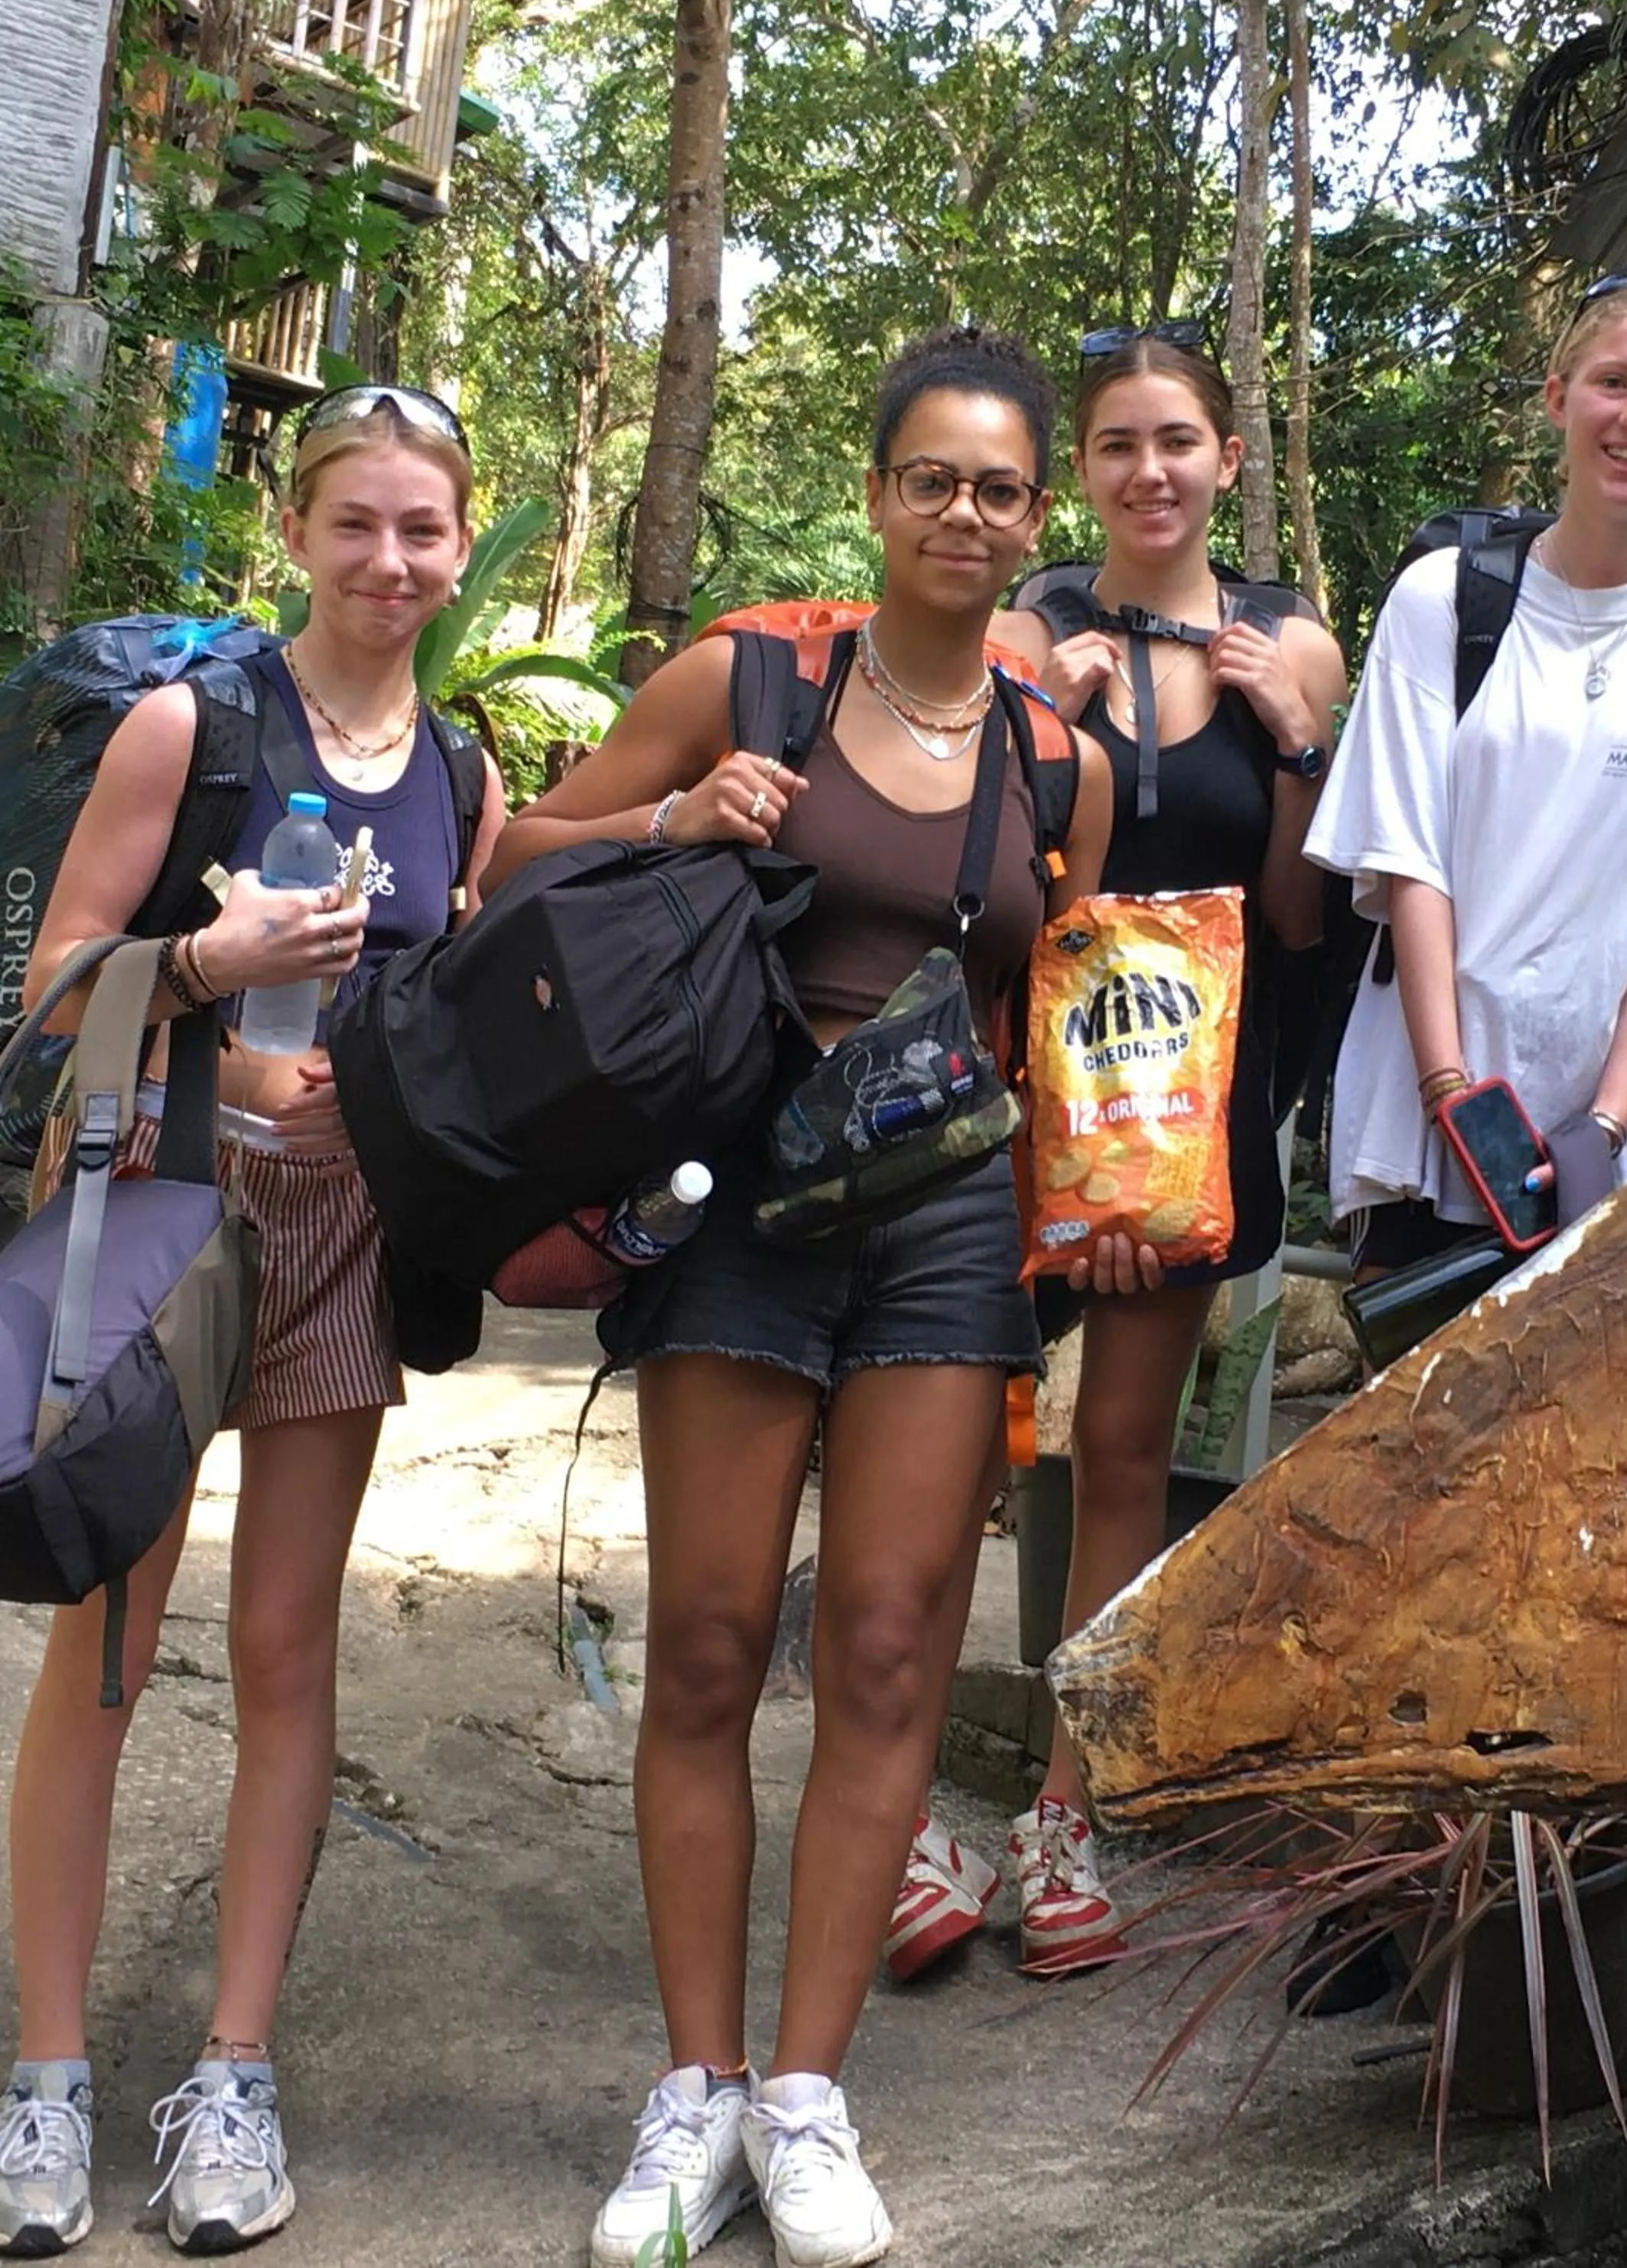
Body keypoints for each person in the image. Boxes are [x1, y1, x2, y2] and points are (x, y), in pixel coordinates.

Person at [482, 324, 1111, 2268]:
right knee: (709, 1643)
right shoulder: (746, 682)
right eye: (932, 475)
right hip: (743, 1192)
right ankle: (692, 2094)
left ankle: (806, 2097)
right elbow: (514, 863)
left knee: (897, 1647)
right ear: (880, 492)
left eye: (1000, 487)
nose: (964, 511)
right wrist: (674, 820)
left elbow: (1055, 987)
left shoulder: (1054, 756)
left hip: (940, 1221)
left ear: (1032, 523)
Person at [0, 383, 504, 2256]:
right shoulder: (188, 723)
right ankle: (45, 2081)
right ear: (298, 532)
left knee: (289, 1655)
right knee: (108, 1648)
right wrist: (210, 967)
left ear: (463, 546)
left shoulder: (460, 770)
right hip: (153, 1217)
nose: (390, 561)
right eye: (356, 524)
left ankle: (233, 2073)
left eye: (423, 531)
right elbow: (53, 991)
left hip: (341, 1236)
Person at [882, 327, 1346, 1984]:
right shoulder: (1031, 623)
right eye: (1116, 447)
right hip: (1012, 1106)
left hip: (1183, 1110)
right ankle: (913, 1811)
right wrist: (1032, 721)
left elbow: (1301, 912)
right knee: (953, 1462)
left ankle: (1071, 1816)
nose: (1149, 472)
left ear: (1225, 457)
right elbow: (966, 875)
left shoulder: (1294, 638)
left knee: (1126, 1459)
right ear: (1078, 474)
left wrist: (1296, 739)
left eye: (1178, 441)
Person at [1307, 266, 1627, 1283]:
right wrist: (1448, 1088)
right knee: (1418, 1437)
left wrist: (1604, 1125)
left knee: (1605, 1443)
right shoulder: (1440, 604)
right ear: (1559, 397)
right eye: (1613, 382)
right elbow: (1409, 859)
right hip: (1425, 1133)